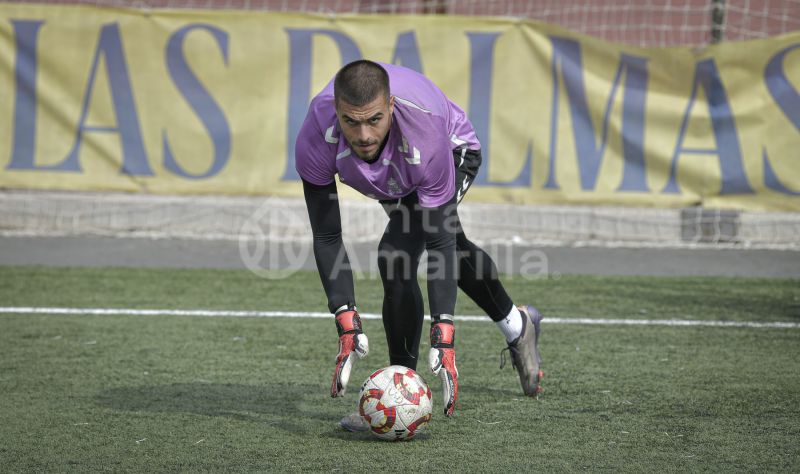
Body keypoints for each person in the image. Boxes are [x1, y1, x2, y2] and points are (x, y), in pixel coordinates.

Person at [296, 60, 543, 430]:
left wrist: (443, 331)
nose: (363, 134)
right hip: (397, 172)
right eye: (352, 122)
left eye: (374, 119)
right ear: (336, 113)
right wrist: (345, 319)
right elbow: (327, 235)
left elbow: (439, 239)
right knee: (444, 245)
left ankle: (400, 393)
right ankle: (517, 325)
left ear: (391, 107)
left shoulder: (424, 133)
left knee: (398, 253)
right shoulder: (316, 132)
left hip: (451, 151)